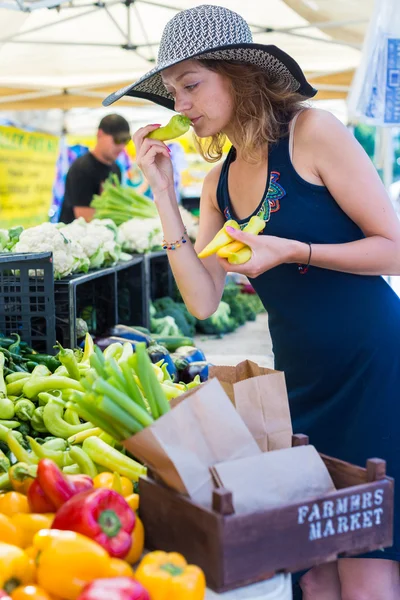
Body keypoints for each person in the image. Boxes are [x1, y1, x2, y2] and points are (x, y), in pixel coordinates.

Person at [104, 5, 400, 599]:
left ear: (239, 75)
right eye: (172, 91)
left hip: (373, 366)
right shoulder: (216, 182)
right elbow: (203, 299)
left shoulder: (313, 133)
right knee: (311, 565)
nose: (180, 104)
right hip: (299, 382)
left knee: (366, 564)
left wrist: (294, 249)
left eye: (192, 85)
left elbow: (391, 247)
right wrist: (163, 193)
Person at [59, 113, 131, 223]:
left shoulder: (116, 169)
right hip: (76, 237)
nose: (121, 146)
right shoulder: (81, 169)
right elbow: (85, 219)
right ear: (100, 134)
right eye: (117, 140)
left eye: (125, 140)